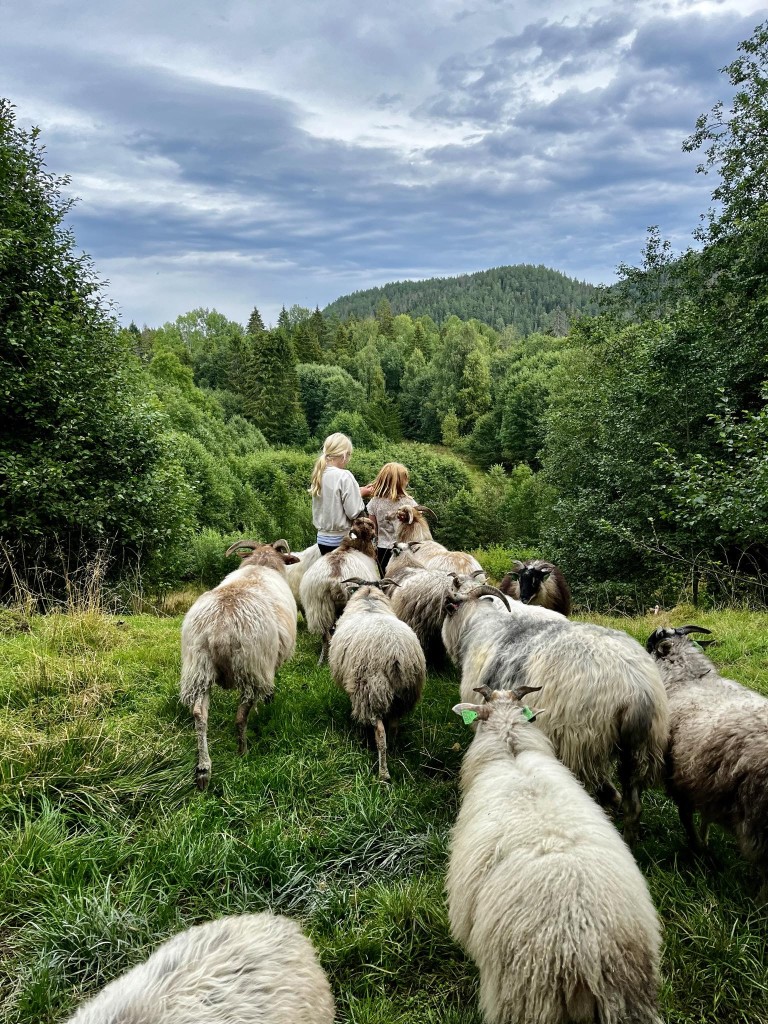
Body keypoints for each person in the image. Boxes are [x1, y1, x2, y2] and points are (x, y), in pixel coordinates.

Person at [309, 433, 372, 555]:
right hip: (343, 540)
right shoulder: (344, 475)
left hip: (322, 540)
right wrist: (359, 495)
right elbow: (353, 512)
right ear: (344, 455)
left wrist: (357, 492)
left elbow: (333, 501)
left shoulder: (319, 474)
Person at [365, 462, 416, 574]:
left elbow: (372, 529)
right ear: (401, 481)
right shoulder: (409, 503)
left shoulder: (375, 502)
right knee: (402, 579)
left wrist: (373, 548)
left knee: (386, 581)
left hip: (382, 549)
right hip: (404, 548)